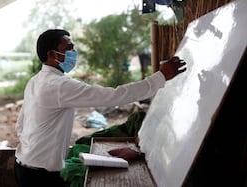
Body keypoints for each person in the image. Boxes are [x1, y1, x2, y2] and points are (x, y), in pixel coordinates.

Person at [14, 29, 186, 187]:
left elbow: (20, 125)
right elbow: (113, 96)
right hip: (41, 176)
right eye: (69, 48)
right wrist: (160, 77)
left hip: (24, 166)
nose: (74, 52)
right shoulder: (59, 86)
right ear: (52, 54)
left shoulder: (35, 81)